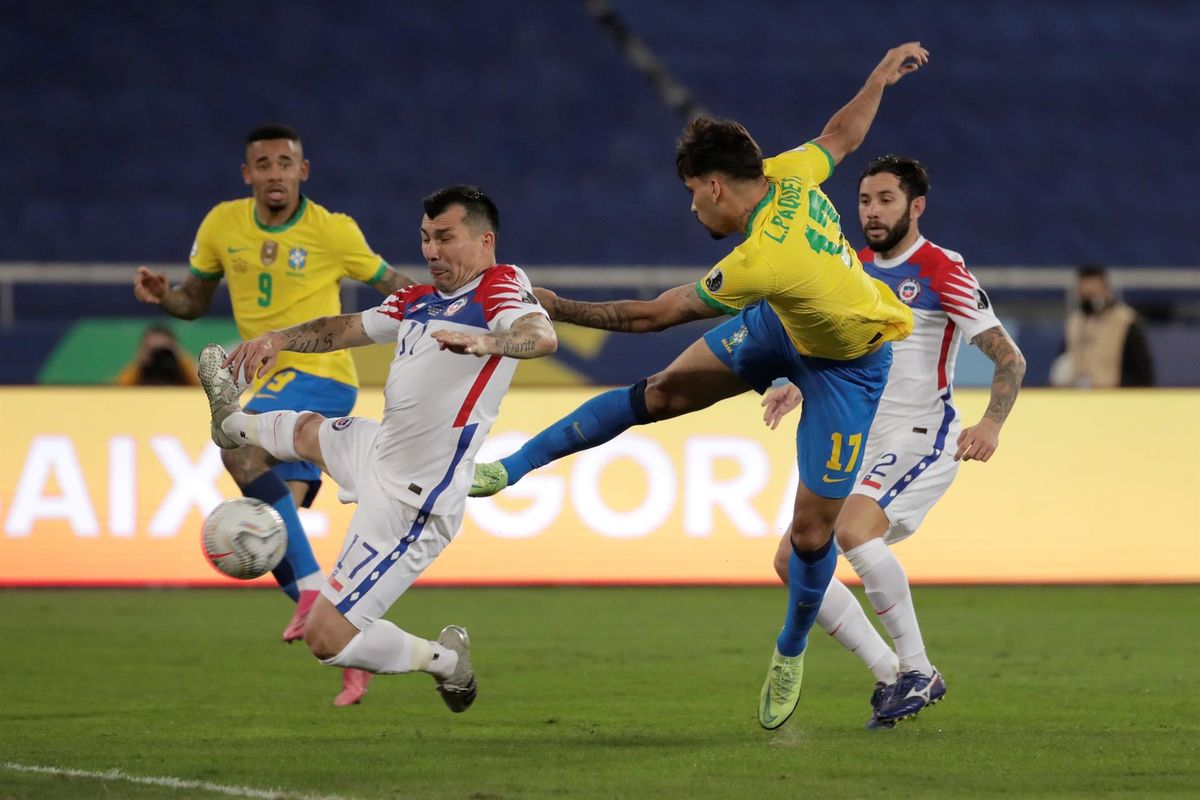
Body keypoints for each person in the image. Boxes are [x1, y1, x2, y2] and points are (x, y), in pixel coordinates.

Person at [469, 43, 929, 730]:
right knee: (658, 395)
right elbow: (843, 134)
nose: (691, 210)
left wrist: (557, 305)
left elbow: (651, 315)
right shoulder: (790, 175)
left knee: (809, 537)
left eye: (691, 193)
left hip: (850, 370)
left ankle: (791, 647)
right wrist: (877, 78)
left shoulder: (762, 259)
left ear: (715, 185)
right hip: (785, 325)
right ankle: (511, 467)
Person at [196, 185, 556, 712]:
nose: (432, 251)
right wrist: (277, 338)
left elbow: (539, 336)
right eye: (426, 238)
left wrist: (489, 343)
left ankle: (446, 662)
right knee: (305, 432)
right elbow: (340, 328)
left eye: (445, 238)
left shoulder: (498, 287)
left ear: (485, 240)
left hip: (413, 500)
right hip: (379, 448)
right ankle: (231, 424)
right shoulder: (418, 300)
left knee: (326, 637)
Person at [132, 124, 414, 706]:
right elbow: (193, 300)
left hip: (323, 373)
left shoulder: (334, 231)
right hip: (260, 377)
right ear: (247, 175)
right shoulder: (221, 224)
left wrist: (447, 311)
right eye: (263, 164)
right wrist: (165, 297)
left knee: (237, 446)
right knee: (267, 522)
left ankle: (313, 594)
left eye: (285, 162)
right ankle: (348, 647)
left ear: (302, 171)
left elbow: (393, 285)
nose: (275, 173)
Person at [761, 155, 1026, 727]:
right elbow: (835, 351)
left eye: (885, 199)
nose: (873, 212)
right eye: (864, 201)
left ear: (916, 206)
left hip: (921, 434)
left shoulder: (940, 268)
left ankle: (918, 667)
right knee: (792, 559)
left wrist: (992, 423)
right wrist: (796, 387)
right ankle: (889, 674)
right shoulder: (850, 268)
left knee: (852, 531)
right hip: (858, 437)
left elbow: (1009, 356)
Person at [1050, 265, 1154, 388]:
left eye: (1093, 294)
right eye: (1084, 296)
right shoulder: (1075, 322)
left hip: (1113, 397)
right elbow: (1064, 360)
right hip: (1078, 397)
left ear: (1106, 290)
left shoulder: (1126, 322)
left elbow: (1142, 373)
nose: (1089, 300)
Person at [116, 324, 201, 387]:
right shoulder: (135, 379)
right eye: (151, 349)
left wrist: (181, 359)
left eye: (163, 349)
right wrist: (138, 365)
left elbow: (202, 391)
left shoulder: (183, 376)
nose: (158, 354)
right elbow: (117, 391)